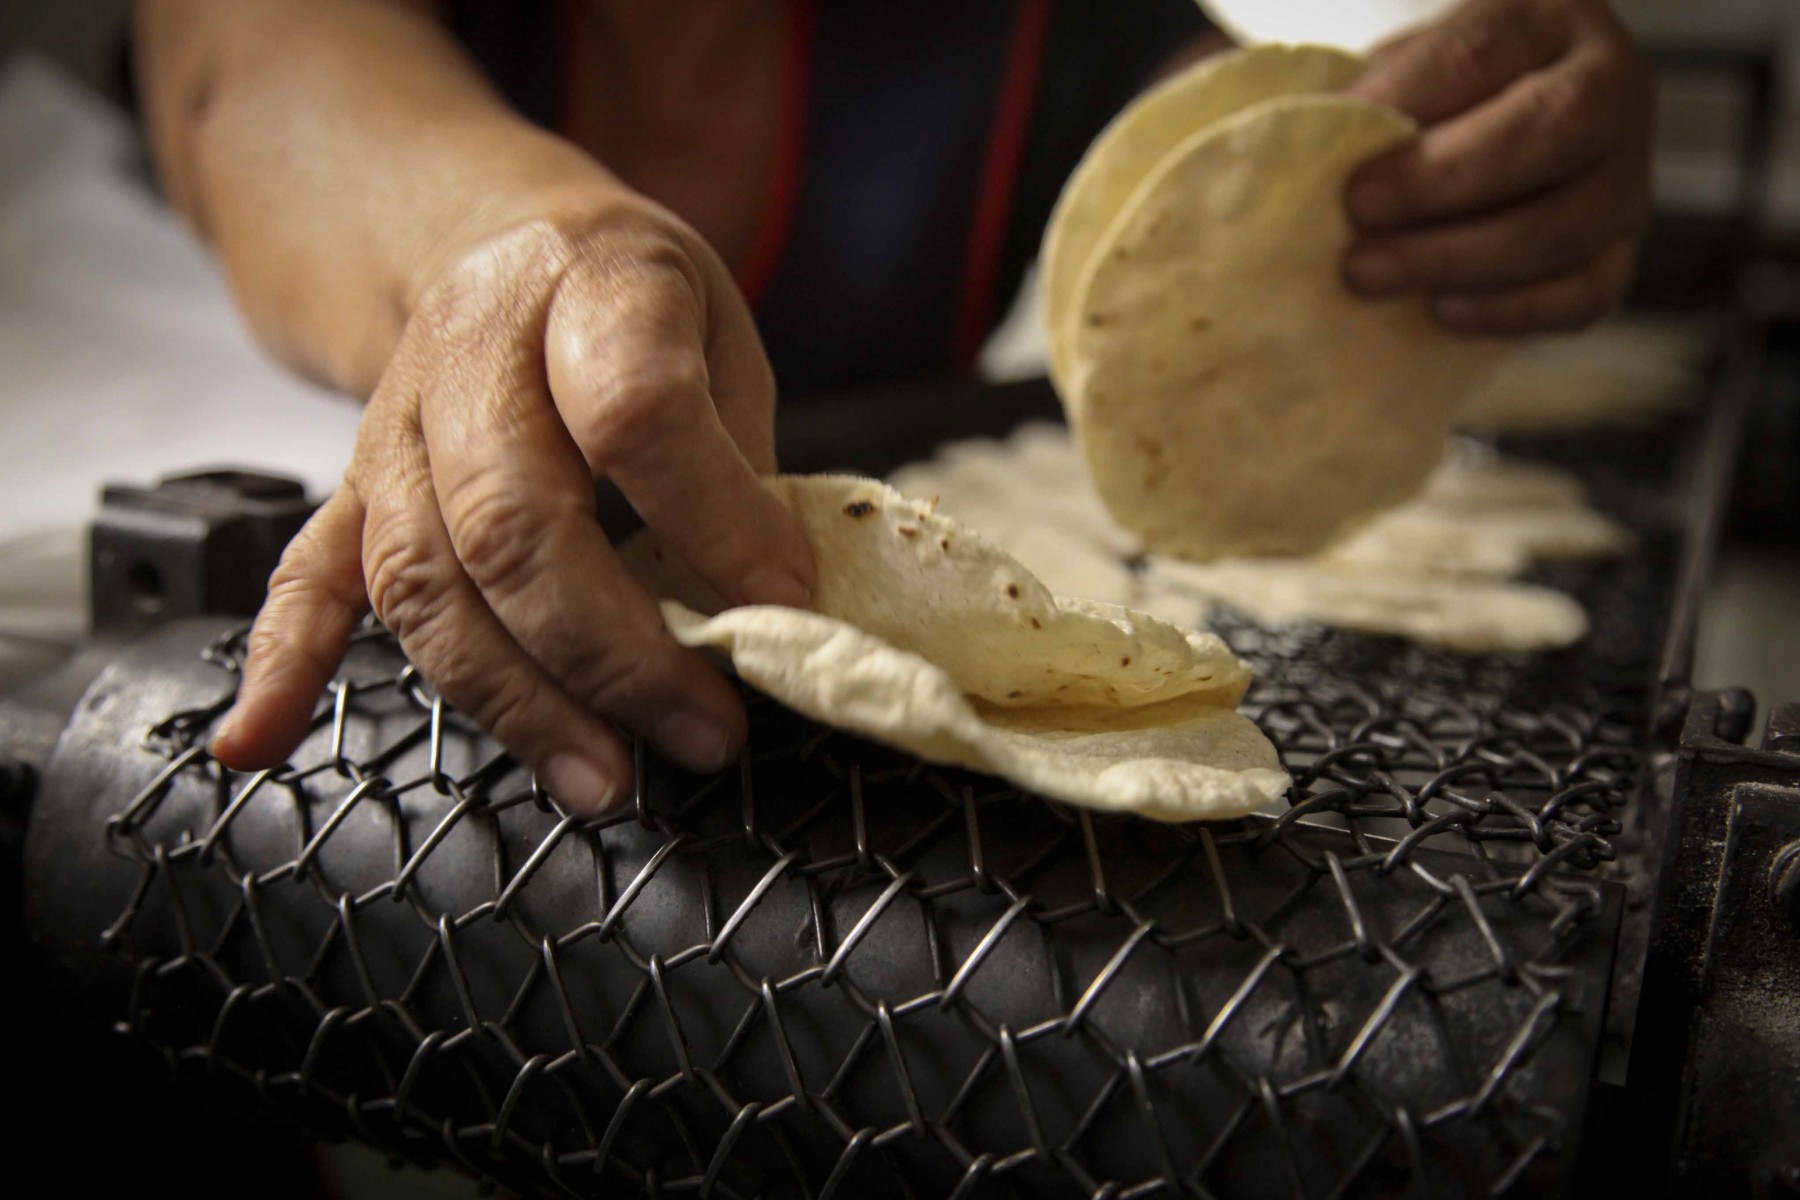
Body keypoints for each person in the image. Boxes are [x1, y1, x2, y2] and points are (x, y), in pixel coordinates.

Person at [137, 0, 1652, 813]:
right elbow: (241, 63)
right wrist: (509, 241)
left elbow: (1229, 171)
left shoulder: (1033, 32)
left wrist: (1472, 146)